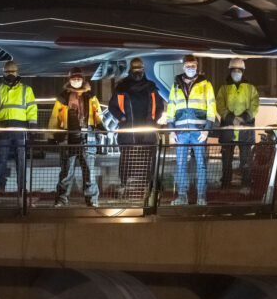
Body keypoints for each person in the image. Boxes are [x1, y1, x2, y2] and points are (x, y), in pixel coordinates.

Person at [108, 57, 166, 199]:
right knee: (127, 160)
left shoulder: (151, 87)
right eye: (135, 70)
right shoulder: (121, 88)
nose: (138, 72)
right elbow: (112, 106)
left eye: (140, 69)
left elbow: (159, 106)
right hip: (128, 133)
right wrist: (122, 118)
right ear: (130, 70)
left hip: (148, 132)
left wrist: (154, 120)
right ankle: (125, 186)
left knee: (148, 161)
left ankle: (149, 188)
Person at [49, 67, 105, 207]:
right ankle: (61, 199)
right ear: (69, 80)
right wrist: (52, 134)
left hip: (88, 138)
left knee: (89, 172)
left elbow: (98, 114)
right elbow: (55, 117)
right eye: (73, 78)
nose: (76, 80)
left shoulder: (91, 97)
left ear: (83, 79)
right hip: (69, 138)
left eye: (78, 78)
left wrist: (101, 126)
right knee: (67, 172)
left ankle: (92, 200)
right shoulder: (63, 98)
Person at [165, 54, 216, 206]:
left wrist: (207, 130)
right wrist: (171, 131)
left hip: (198, 131)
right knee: (180, 164)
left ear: (197, 66)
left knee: (201, 164)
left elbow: (212, 108)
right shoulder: (176, 85)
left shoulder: (206, 84)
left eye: (193, 66)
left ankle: (201, 197)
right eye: (188, 66)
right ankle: (182, 196)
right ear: (183, 66)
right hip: (181, 132)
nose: (191, 68)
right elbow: (170, 109)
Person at [0, 60, 37, 194]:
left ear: (17, 72)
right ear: (3, 73)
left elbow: (32, 108)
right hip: (3, 128)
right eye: (7, 71)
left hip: (19, 129)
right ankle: (1, 186)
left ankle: (21, 187)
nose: (10, 74)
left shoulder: (26, 90)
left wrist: (32, 125)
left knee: (21, 160)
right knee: (2, 160)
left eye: (12, 71)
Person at [216, 58, 259, 190]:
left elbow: (255, 106)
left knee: (245, 161)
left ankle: (246, 185)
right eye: (234, 70)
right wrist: (230, 118)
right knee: (226, 162)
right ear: (230, 71)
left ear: (243, 71)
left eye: (239, 70)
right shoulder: (223, 88)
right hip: (228, 131)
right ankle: (225, 185)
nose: (236, 72)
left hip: (244, 131)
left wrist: (243, 118)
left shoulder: (251, 89)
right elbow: (219, 105)